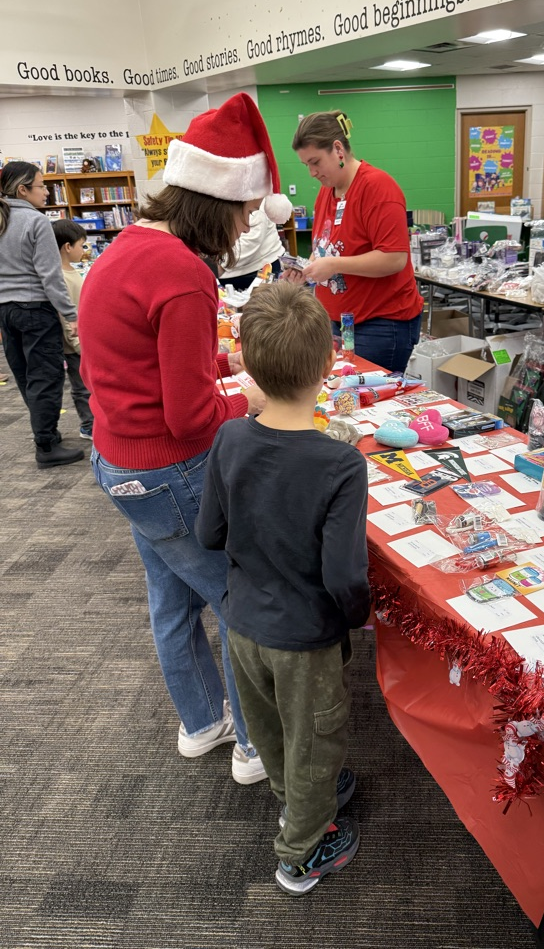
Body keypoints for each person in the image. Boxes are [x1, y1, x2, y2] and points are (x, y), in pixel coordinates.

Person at [78, 93, 292, 784]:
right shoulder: (184, 275)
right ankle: (256, 745)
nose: (239, 234)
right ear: (216, 204)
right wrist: (250, 394)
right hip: (171, 472)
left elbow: (125, 361)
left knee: (171, 601)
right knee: (238, 598)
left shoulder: (129, 249)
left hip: (120, 462)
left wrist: (212, 363)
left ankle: (203, 721)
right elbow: (191, 418)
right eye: (239, 217)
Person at [195, 282, 370, 895]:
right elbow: (344, 575)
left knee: (270, 728)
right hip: (305, 636)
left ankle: (294, 797)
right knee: (317, 737)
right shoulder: (341, 464)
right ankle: (301, 852)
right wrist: (357, 618)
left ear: (245, 361)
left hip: (242, 623)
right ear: (329, 366)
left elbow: (208, 533)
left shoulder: (229, 437)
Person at [290, 110, 423, 373]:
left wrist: (334, 265)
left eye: (315, 162)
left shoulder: (377, 188)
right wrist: (305, 268)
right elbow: (324, 248)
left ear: (338, 149)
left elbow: (394, 258)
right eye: (306, 165)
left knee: (367, 400)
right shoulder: (327, 193)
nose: (312, 173)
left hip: (380, 323)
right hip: (338, 320)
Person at [0, 162, 84, 468]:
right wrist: (70, 314)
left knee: (24, 375)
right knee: (46, 377)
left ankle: (45, 431)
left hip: (6, 311)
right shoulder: (36, 222)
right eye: (41, 185)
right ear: (23, 190)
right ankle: (46, 446)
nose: (46, 191)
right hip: (35, 309)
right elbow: (51, 277)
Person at [51, 219, 94, 440]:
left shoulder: (72, 271)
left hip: (83, 342)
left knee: (89, 384)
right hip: (74, 346)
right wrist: (77, 345)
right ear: (68, 247)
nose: (84, 250)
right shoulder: (60, 277)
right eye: (82, 245)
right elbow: (66, 316)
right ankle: (88, 425)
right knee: (81, 387)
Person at [218, 199, 286, 290]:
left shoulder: (252, 197)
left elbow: (250, 240)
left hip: (257, 272)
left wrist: (220, 264)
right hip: (233, 274)